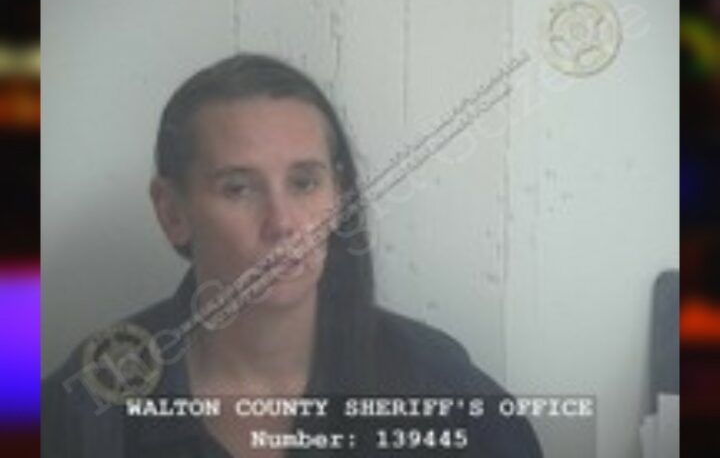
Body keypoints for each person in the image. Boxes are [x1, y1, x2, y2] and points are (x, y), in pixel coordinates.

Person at [42, 54, 543, 457]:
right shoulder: (88, 406)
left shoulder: (438, 388)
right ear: (173, 212)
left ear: (339, 197)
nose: (282, 223)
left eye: (304, 183)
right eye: (238, 188)